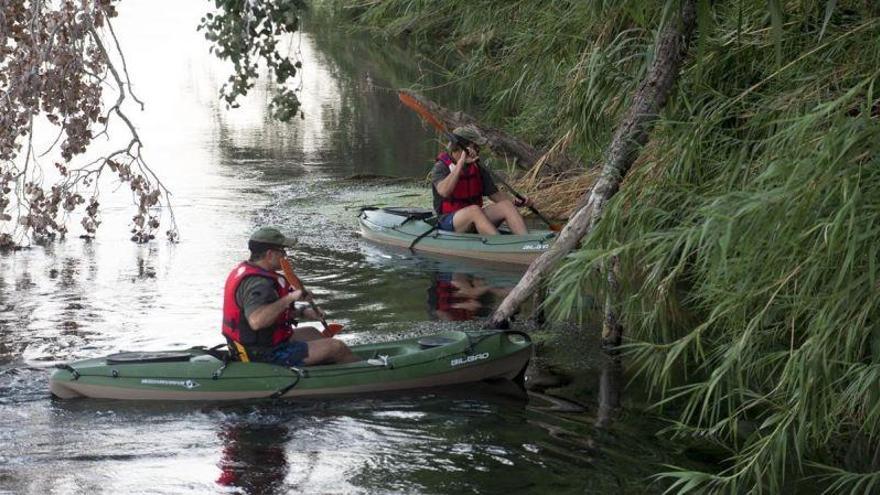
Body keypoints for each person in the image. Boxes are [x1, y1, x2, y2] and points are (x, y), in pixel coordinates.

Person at [221, 227, 358, 366]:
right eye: (282, 251)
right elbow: (257, 321)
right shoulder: (259, 283)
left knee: (312, 333)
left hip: (259, 343)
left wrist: (303, 312)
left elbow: (271, 313)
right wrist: (290, 298)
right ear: (270, 254)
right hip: (261, 353)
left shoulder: (250, 271)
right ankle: (360, 375)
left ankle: (322, 367)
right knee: (337, 347)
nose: (285, 256)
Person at [432, 125, 533, 235]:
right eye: (475, 146)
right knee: (474, 210)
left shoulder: (477, 167)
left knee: (506, 206)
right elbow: (444, 191)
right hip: (449, 221)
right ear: (464, 148)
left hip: (476, 215)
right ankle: (499, 247)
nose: (478, 150)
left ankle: (526, 242)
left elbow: (495, 195)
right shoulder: (441, 167)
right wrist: (460, 163)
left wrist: (515, 201)